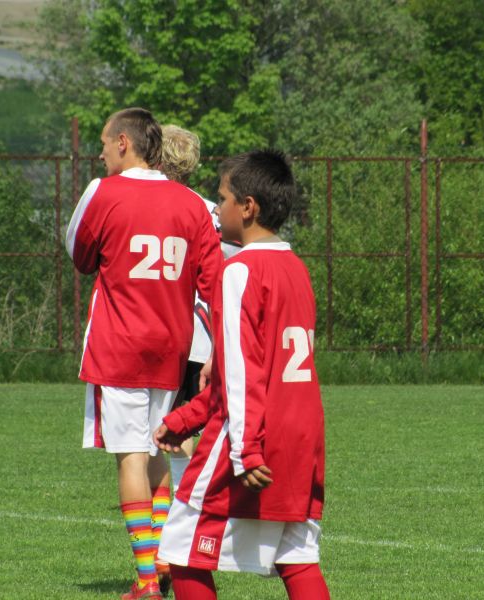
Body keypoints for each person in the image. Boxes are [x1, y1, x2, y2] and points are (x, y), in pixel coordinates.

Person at [153, 150, 330, 600]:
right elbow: (267, 370)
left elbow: (242, 374)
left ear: (248, 207)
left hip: (252, 434)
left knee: (181, 549)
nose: (217, 210)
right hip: (303, 436)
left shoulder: (240, 272)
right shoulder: (297, 269)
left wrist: (245, 451)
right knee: (296, 555)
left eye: (222, 198)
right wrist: (186, 418)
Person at [65, 107, 222, 600]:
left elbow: (80, 257)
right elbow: (213, 282)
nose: (101, 153)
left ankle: (147, 581)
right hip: (173, 345)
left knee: (131, 456)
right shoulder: (193, 204)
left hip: (120, 345)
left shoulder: (103, 192)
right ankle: (160, 561)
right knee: (156, 450)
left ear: (124, 143)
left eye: (104, 143)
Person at [157, 125, 241, 504]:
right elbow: (237, 261)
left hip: (170, 329)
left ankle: (181, 497)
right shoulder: (211, 210)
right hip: (205, 333)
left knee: (169, 427)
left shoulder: (155, 205)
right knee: (193, 424)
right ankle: (190, 493)